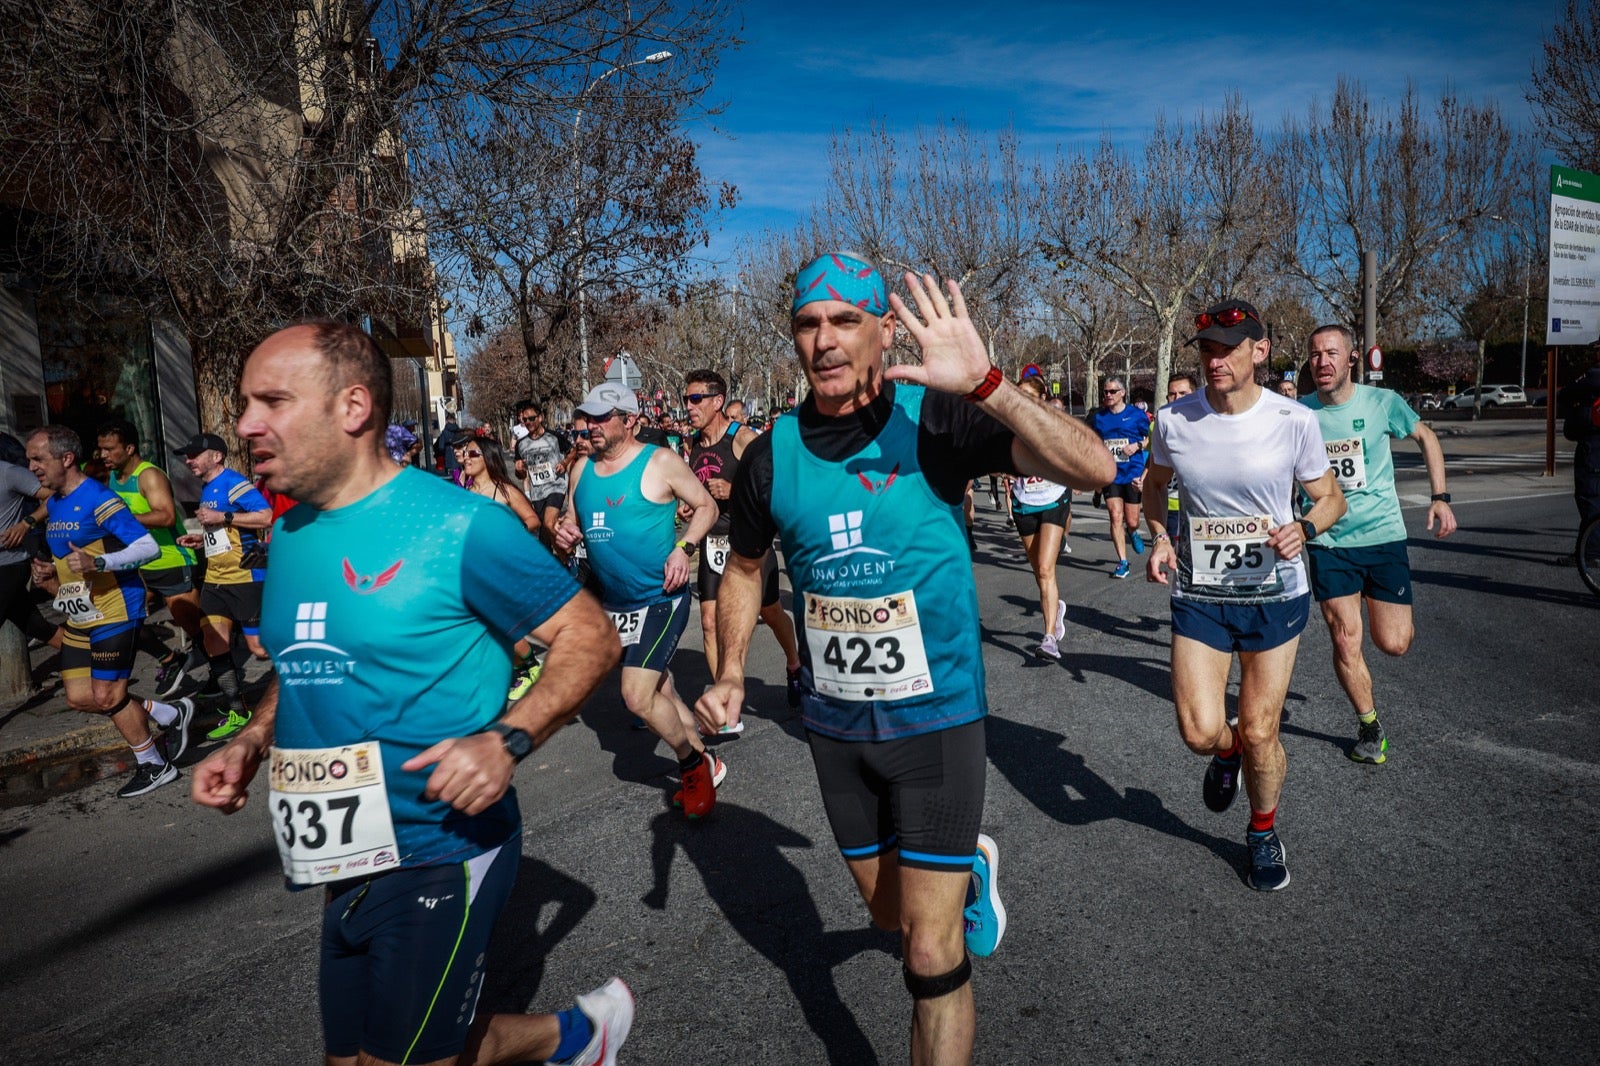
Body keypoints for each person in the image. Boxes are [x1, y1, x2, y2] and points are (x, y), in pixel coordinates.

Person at [696, 253, 1114, 1065]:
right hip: (836, 728)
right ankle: (965, 880)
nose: (824, 341)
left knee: (926, 957)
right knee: (888, 917)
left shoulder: (935, 421)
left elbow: (1093, 468)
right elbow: (745, 568)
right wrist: (730, 671)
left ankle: (949, 906)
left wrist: (989, 382)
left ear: (884, 332)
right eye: (808, 324)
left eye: (845, 320)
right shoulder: (771, 455)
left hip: (939, 720)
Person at [191, 321, 632, 1066]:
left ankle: (577, 1036)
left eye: (271, 401)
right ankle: (573, 1039)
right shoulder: (292, 529)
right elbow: (307, 661)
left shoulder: (462, 525)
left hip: (440, 846)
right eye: (244, 404)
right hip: (342, 852)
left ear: (353, 407)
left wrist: (507, 738)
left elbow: (591, 637)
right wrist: (252, 738)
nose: (245, 425)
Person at [1142, 299, 1345, 892]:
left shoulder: (1294, 421)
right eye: (1206, 349)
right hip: (1201, 592)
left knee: (1261, 730)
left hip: (1275, 594)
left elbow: (1332, 499)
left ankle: (1261, 831)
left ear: (1259, 351)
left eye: (1228, 347)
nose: (1214, 359)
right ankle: (1224, 754)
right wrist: (1158, 537)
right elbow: (1153, 489)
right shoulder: (1174, 420)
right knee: (1201, 731)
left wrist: (1303, 528)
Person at [555, 381, 724, 818]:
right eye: (587, 418)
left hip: (661, 598)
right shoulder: (581, 470)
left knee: (635, 695)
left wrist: (683, 549)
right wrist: (564, 532)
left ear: (629, 421)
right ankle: (708, 758)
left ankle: (692, 769)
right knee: (661, 690)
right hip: (617, 604)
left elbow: (707, 506)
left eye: (600, 418)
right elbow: (571, 523)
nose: (589, 427)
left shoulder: (661, 462)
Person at [1300, 324, 1456, 764]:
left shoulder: (1382, 403)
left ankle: (1384, 612)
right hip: (1328, 541)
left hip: (1383, 536)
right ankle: (1370, 726)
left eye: (1332, 353)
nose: (1323, 362)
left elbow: (1427, 438)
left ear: (1351, 358)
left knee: (1394, 643)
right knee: (1346, 639)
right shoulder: (1299, 414)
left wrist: (1440, 498)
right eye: (1315, 355)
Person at [25, 426, 195, 796]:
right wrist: (50, 571)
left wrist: (101, 564)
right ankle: (167, 712)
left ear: (66, 458)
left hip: (116, 607)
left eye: (39, 459)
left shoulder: (101, 499)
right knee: (80, 697)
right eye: (29, 460)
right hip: (80, 612)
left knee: (106, 695)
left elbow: (147, 547)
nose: (33, 467)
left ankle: (153, 764)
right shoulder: (55, 502)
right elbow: (72, 553)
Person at [684, 368, 804, 725]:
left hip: (748, 541)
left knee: (769, 611)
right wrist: (689, 503)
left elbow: (776, 486)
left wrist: (734, 490)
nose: (689, 406)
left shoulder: (743, 438)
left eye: (696, 399)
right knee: (708, 621)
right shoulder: (693, 444)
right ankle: (724, 694)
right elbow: (698, 489)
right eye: (686, 399)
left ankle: (795, 665)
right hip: (711, 541)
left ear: (717, 401)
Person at [172, 432, 274, 741]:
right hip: (216, 579)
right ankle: (237, 711)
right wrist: (201, 541)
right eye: (187, 456)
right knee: (215, 642)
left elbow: (266, 516)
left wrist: (223, 515)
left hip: (245, 578)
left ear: (216, 456)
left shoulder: (234, 482)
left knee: (258, 649)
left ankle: (305, 680)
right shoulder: (207, 488)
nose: (189, 460)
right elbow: (223, 534)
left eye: (194, 455)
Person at [96, 419, 205, 698]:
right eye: (101, 449)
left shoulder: (149, 476)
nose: (103, 455)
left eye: (110, 449)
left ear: (130, 448)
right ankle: (170, 660)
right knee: (120, 620)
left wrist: (124, 520)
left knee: (193, 626)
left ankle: (224, 677)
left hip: (170, 560)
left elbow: (167, 516)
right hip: (137, 564)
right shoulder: (113, 477)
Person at [1009, 376, 1073, 660]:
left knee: (1046, 569)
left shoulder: (1054, 423)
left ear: (1043, 397)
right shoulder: (1009, 424)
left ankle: (1049, 638)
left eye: (1029, 395)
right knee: (1038, 570)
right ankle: (1055, 606)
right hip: (1024, 501)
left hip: (1054, 497)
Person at [0, 433, 61, 656]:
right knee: (36, 626)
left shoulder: (9, 472)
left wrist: (27, 522)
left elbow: (55, 496)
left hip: (8, 563)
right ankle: (90, 658)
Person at [1087, 376, 1150, 578]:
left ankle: (1132, 532)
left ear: (1122, 393)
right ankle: (1123, 561)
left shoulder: (1137, 415)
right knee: (1115, 516)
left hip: (1132, 472)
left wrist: (1137, 446)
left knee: (1132, 521)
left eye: (1112, 391)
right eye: (1105, 392)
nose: (1108, 395)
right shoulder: (1099, 417)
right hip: (1111, 474)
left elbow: (1147, 439)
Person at [1558, 340, 1600, 550]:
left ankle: (1590, 551)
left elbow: (1564, 394)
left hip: (1593, 445)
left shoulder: (1594, 376)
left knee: (1589, 496)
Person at [513, 400, 570, 545]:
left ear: (540, 418)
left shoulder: (554, 437)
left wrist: (564, 463)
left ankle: (569, 554)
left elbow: (572, 450)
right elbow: (520, 475)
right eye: (525, 419)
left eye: (532, 418)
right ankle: (555, 560)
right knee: (544, 535)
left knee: (549, 523)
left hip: (556, 485)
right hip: (537, 492)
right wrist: (519, 470)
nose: (528, 422)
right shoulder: (521, 444)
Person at [1161, 372, 1199, 542]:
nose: (1177, 398)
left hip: (1202, 506)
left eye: (1183, 394)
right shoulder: (1159, 424)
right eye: (1172, 394)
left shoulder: (1208, 422)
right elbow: (1154, 462)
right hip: (1172, 501)